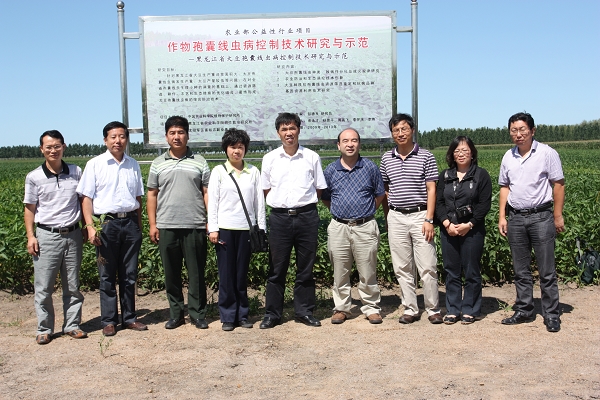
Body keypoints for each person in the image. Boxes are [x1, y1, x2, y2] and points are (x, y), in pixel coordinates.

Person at [77, 121, 147, 336]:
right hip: (105, 224)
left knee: (130, 273)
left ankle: (129, 318)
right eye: (113, 137)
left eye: (122, 137)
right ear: (105, 140)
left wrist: (139, 226)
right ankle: (109, 320)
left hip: (130, 223)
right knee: (107, 274)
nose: (118, 141)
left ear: (127, 139)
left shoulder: (133, 164)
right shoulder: (95, 164)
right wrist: (90, 227)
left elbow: (138, 198)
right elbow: (86, 198)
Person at [259, 112, 327, 329]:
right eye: (284, 129)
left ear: (299, 129)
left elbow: (319, 188)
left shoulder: (312, 157)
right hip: (279, 218)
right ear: (278, 132)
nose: (289, 133)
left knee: (305, 268)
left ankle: (304, 311)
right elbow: (266, 189)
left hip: (307, 216)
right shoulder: (269, 158)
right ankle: (272, 314)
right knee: (277, 269)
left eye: (292, 128)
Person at [498, 112, 565, 333]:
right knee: (521, 269)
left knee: (546, 270)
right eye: (514, 130)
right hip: (516, 217)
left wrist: (557, 215)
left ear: (532, 131)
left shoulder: (547, 153)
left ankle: (551, 314)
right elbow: (504, 187)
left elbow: (558, 185)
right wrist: (502, 216)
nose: (518, 134)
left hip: (541, 216)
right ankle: (524, 309)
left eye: (522, 130)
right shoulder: (508, 156)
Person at [147, 116, 210, 330]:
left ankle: (197, 313)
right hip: (167, 225)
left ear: (187, 135)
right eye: (172, 133)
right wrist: (153, 224)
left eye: (181, 132)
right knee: (171, 273)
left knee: (196, 273)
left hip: (195, 224)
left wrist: (210, 220)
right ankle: (176, 314)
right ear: (166, 137)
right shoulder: (157, 163)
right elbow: (152, 195)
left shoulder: (200, 161)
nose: (177, 137)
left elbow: (206, 192)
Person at [24, 130, 87, 345]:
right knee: (44, 286)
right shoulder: (34, 177)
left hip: (73, 234)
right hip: (46, 235)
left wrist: (87, 227)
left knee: (73, 285)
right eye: (48, 147)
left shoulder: (76, 172)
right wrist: (31, 236)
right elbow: (30, 209)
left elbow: (83, 201)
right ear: (42, 149)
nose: (53, 150)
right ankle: (44, 328)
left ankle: (72, 325)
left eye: (57, 146)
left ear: (64, 147)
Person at [380, 113, 443, 324]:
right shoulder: (386, 158)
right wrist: (388, 217)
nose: (400, 133)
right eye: (396, 130)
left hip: (420, 215)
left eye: (404, 129)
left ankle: (433, 308)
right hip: (396, 216)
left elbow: (431, 188)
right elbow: (385, 190)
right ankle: (410, 308)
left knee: (427, 265)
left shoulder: (426, 156)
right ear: (392, 133)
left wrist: (429, 219)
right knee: (402, 267)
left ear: (412, 130)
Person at [321, 128, 385, 324]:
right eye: (346, 141)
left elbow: (380, 194)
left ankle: (371, 307)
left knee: (368, 270)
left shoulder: (370, 168)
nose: (350, 144)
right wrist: (343, 212)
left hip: (365, 226)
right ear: (338, 145)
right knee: (340, 271)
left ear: (359, 144)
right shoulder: (331, 170)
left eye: (354, 140)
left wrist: (364, 213)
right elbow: (325, 198)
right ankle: (342, 308)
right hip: (339, 227)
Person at [207, 128, 266, 331]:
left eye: (240, 147)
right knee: (226, 274)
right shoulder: (219, 172)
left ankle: (242, 314)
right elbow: (212, 202)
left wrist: (261, 228)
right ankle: (228, 316)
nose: (236, 151)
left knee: (241, 274)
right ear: (226, 149)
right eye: (233, 147)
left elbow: (259, 202)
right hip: (224, 229)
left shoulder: (253, 171)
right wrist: (212, 229)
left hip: (246, 230)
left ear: (245, 149)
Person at [435, 136, 492, 325]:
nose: (461, 154)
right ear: (452, 154)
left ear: (472, 153)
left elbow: (484, 204)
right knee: (451, 270)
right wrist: (446, 223)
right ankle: (452, 309)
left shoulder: (480, 175)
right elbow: (439, 202)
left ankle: (470, 309)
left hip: (472, 230)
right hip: (448, 230)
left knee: (471, 270)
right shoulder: (445, 175)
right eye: (457, 151)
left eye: (465, 150)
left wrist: (470, 224)